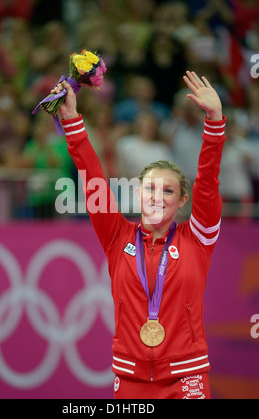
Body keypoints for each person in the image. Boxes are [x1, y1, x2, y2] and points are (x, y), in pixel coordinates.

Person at [51, 70, 226, 399]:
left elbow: (208, 183)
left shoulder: (198, 238)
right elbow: (94, 183)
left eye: (168, 191)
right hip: (130, 378)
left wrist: (215, 123)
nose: (157, 197)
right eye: (150, 188)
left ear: (182, 200)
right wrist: (73, 121)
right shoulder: (118, 236)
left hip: (185, 376)